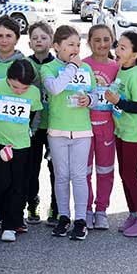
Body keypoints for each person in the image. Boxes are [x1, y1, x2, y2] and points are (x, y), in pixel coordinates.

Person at [42, 25, 95, 240]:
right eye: (70, 44)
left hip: (82, 131)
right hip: (57, 131)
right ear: (57, 46)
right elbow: (55, 88)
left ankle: (81, 220)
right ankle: (63, 217)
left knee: (79, 176)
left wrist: (89, 99)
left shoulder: (86, 68)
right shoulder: (48, 68)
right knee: (62, 176)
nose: (75, 49)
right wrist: (72, 67)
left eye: (78, 45)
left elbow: (95, 94)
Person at [0, 59, 43, 242]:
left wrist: (29, 132)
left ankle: (11, 224)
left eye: (24, 88)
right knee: (2, 180)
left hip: (21, 143)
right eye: (15, 87)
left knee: (18, 184)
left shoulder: (34, 92)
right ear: (8, 78)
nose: (19, 91)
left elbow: (33, 115)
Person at [106, 33, 137, 237]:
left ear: (134, 55)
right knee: (124, 174)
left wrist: (117, 101)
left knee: (130, 174)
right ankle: (134, 214)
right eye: (118, 45)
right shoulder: (122, 69)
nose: (117, 50)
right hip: (121, 129)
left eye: (123, 48)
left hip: (133, 133)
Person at [83, 25, 118, 230]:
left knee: (105, 170)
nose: (102, 44)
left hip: (107, 126)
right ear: (89, 42)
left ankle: (102, 209)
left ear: (112, 40)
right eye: (97, 40)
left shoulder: (116, 67)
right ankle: (86, 209)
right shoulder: (82, 65)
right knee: (84, 170)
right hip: (83, 126)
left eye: (106, 39)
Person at [26, 22, 55, 225]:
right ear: (29, 42)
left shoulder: (58, 64)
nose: (39, 41)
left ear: (52, 42)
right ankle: (32, 202)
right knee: (31, 168)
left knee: (56, 169)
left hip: (54, 125)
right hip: (31, 126)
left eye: (43, 38)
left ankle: (56, 206)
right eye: (35, 38)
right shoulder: (25, 63)